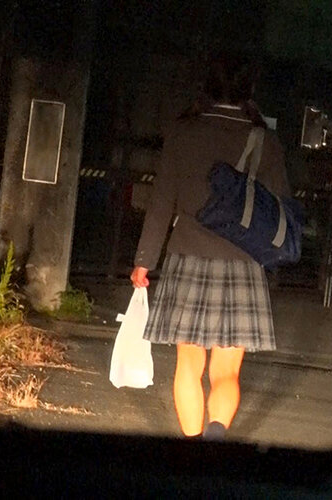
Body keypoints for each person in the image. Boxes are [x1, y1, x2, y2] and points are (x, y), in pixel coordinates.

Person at [131, 54, 291, 440]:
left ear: (207, 87)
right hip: (243, 262)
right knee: (227, 372)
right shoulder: (264, 140)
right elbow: (280, 204)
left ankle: (193, 449)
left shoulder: (183, 133)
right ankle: (216, 436)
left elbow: (162, 201)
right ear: (248, 90)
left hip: (188, 256)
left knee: (188, 365)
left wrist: (144, 261)